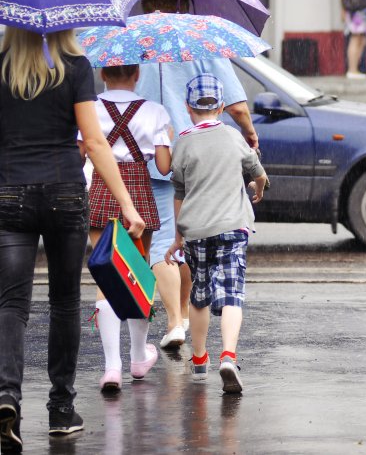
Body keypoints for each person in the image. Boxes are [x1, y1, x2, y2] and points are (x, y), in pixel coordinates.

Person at [0, 28, 145, 449]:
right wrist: (127, 205)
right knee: (64, 303)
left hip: (9, 192)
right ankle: (61, 409)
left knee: (11, 303)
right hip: (64, 192)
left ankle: (7, 394)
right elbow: (96, 142)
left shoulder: (2, 67)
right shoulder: (76, 68)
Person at [135, 0, 259, 353]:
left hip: (153, 155)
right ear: (184, 6)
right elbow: (235, 104)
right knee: (188, 240)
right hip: (203, 155)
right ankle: (180, 320)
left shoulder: (138, 43)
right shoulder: (199, 41)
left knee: (163, 242)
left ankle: (179, 319)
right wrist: (250, 135)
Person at [165, 74, 268, 394]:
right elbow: (258, 173)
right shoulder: (234, 137)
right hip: (232, 227)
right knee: (232, 294)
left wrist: (179, 237)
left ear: (187, 107)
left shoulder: (182, 142)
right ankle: (227, 356)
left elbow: (178, 193)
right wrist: (258, 188)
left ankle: (198, 361)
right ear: (222, 107)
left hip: (196, 231)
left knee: (200, 296)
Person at [79, 65, 172, 394]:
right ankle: (136, 357)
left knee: (106, 276)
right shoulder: (155, 111)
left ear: (103, 73)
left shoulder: (89, 107)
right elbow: (163, 166)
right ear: (137, 75)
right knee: (137, 273)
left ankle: (111, 367)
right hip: (138, 191)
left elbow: (78, 157)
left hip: (103, 188)